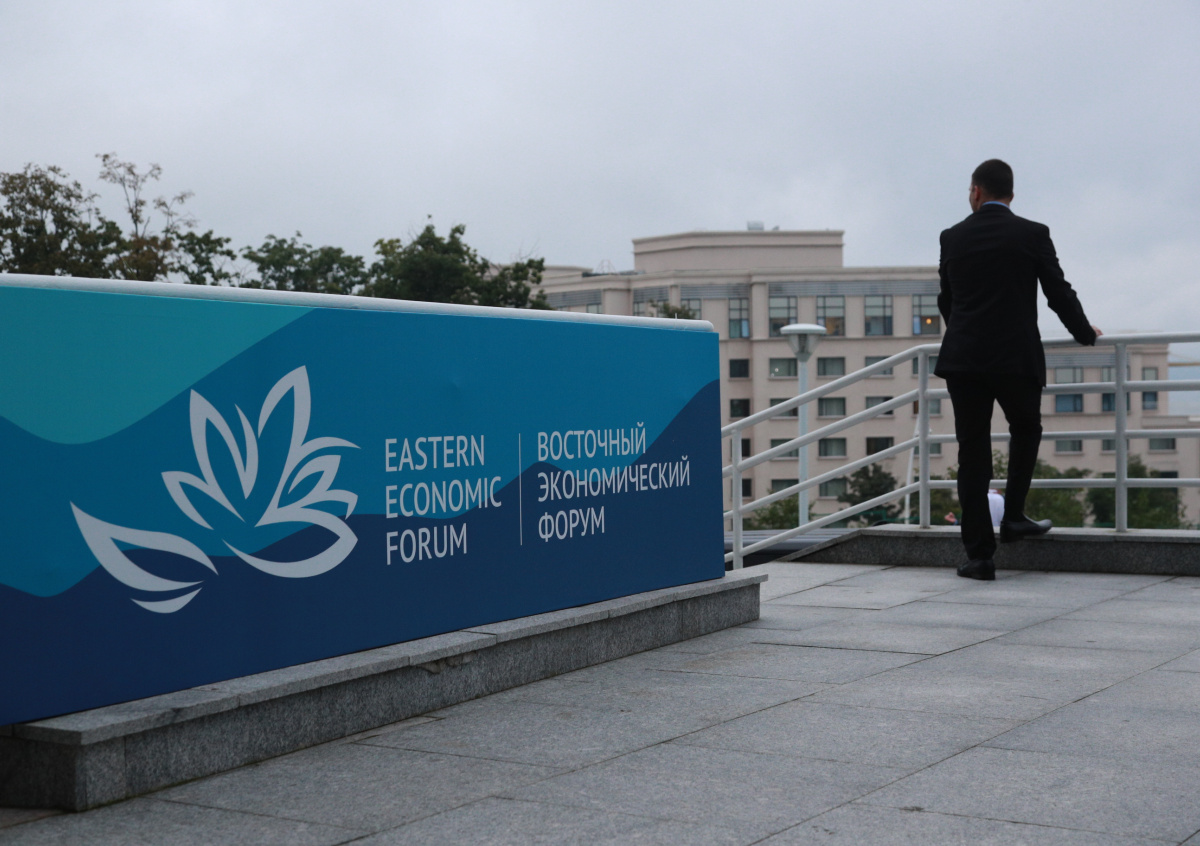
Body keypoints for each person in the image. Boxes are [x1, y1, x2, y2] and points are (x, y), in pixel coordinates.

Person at [935, 159, 1101, 581]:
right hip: (1016, 357)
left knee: (972, 451)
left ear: (976, 191)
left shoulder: (952, 236)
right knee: (1026, 430)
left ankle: (979, 557)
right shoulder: (1033, 233)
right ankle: (1012, 517)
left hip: (965, 360)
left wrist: (967, 334)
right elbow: (1057, 292)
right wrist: (1085, 333)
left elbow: (947, 300)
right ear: (1011, 194)